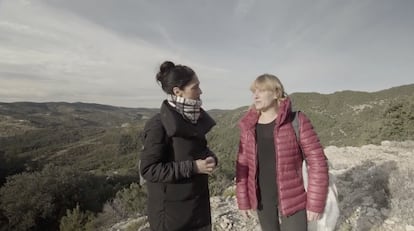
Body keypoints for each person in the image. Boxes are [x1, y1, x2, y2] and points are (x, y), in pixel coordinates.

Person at [235, 74, 329, 231]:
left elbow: (317, 161)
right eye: (254, 91)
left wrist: (315, 202)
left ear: (276, 93)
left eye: (261, 91)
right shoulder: (248, 126)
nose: (255, 95)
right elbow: (242, 165)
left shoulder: (296, 120)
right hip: (262, 200)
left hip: (294, 198)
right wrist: (243, 200)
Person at [139, 61, 218, 231]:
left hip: (199, 211)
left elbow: (197, 150)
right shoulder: (158, 125)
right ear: (177, 91)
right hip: (172, 219)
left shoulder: (193, 118)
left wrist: (210, 157)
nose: (201, 91)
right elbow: (148, 170)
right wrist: (194, 167)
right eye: (195, 87)